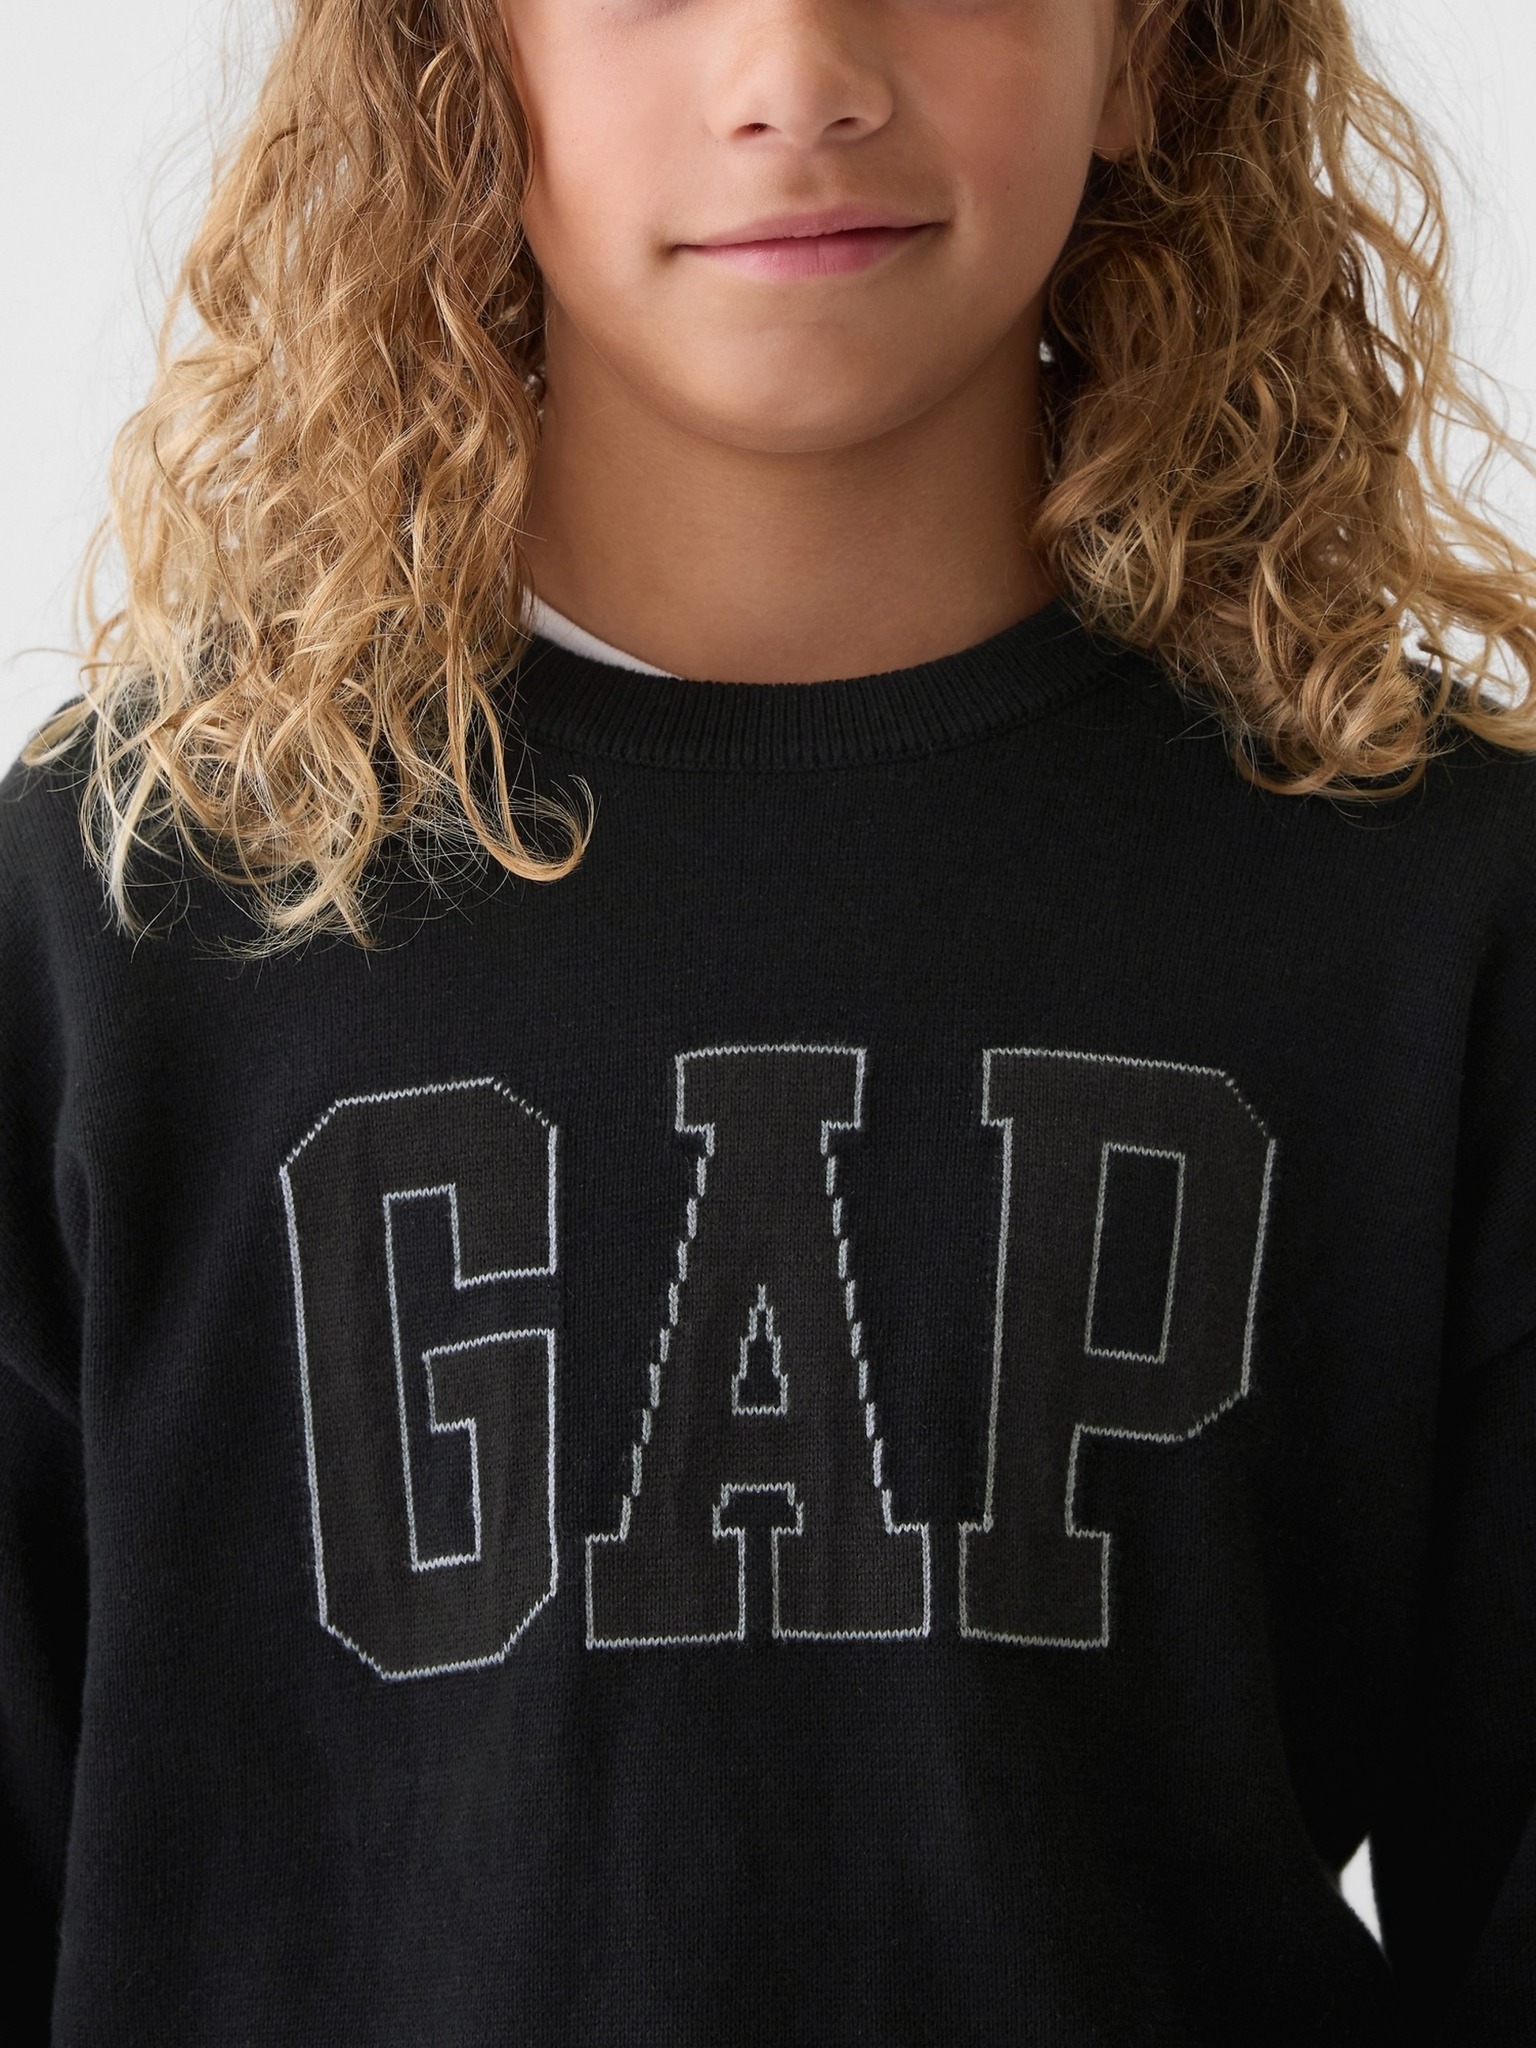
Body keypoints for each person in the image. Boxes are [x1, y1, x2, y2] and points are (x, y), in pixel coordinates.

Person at [3, 0, 1534, 2039]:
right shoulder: (121, 920)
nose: (800, 75)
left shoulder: (1438, 907)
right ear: (456, 67)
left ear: (1148, 51)